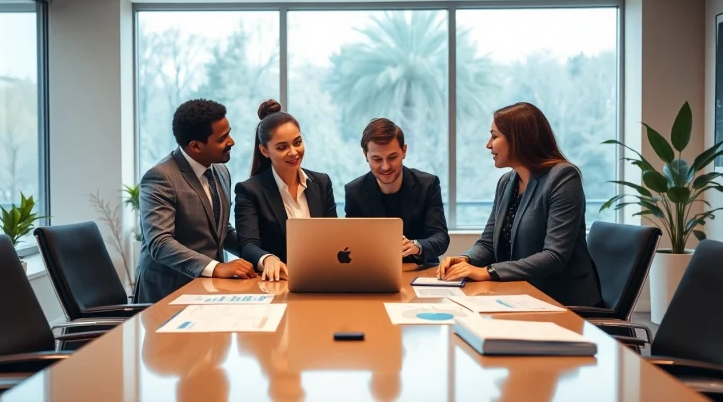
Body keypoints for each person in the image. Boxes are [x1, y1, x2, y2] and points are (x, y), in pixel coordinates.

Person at [438, 102, 603, 307]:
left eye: (494, 136)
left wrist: (488, 272)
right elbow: (488, 243)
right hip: (520, 295)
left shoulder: (563, 177)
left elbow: (554, 256)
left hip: (562, 300)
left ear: (518, 139)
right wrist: (466, 260)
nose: (488, 144)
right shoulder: (507, 182)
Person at [134, 98, 255, 303]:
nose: (231, 142)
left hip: (210, 292)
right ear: (196, 146)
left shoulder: (221, 171)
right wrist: (216, 267)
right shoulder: (160, 177)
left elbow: (222, 231)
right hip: (167, 295)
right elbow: (160, 243)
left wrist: (262, 256)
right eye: (222, 138)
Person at [234, 99, 338, 281]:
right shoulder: (249, 190)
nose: (293, 152)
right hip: (279, 283)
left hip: (324, 278)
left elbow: (335, 234)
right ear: (264, 151)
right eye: (282, 147)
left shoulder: (322, 183)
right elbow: (247, 245)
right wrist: (267, 259)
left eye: (297, 142)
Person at [344, 118, 449, 265]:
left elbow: (440, 237)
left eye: (392, 157)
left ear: (404, 151)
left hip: (420, 270)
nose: (385, 167)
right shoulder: (354, 191)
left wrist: (416, 246)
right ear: (365, 155)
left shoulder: (427, 184)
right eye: (377, 159)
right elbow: (352, 243)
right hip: (375, 271)